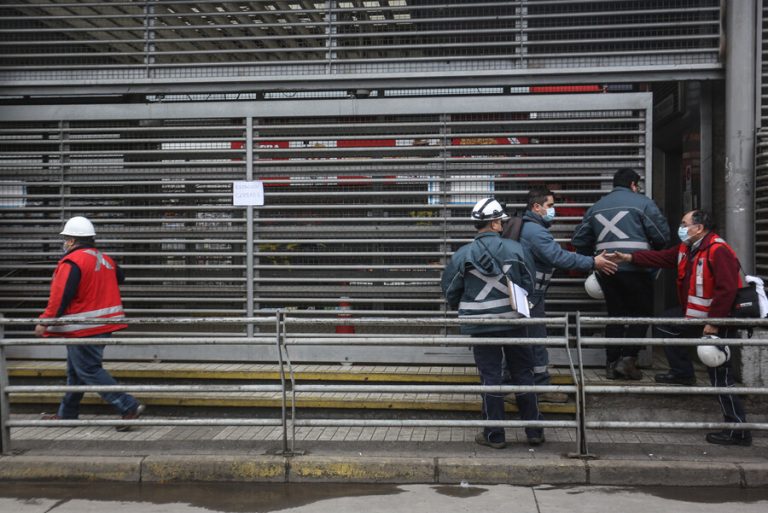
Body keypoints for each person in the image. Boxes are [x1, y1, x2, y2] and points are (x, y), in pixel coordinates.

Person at [607, 210, 751, 446]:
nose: (681, 228)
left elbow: (727, 290)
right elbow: (661, 258)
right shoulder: (688, 248)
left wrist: (714, 323)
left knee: (719, 374)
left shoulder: (718, 250)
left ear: (699, 227)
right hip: (694, 316)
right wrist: (628, 257)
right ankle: (683, 373)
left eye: (684, 224)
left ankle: (739, 430)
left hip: (717, 322)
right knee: (665, 324)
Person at [441, 197, 543, 449]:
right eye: (501, 222)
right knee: (523, 373)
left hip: (481, 325)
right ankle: (534, 432)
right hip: (514, 323)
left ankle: (494, 435)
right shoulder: (516, 249)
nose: (503, 225)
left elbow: (450, 290)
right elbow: (530, 284)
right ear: (495, 223)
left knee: (490, 376)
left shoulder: (462, 254)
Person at [35, 216, 144, 431]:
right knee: (76, 371)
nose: (65, 243)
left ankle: (128, 405)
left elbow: (60, 296)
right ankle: (67, 415)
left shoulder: (72, 261)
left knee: (89, 370)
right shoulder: (105, 259)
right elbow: (120, 278)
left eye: (66, 239)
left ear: (72, 240)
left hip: (83, 327)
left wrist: (45, 321)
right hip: (103, 324)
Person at [518, 186, 618, 401]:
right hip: (531, 295)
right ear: (536, 207)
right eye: (550, 205)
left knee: (526, 340)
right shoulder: (535, 232)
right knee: (535, 340)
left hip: (530, 294)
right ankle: (538, 387)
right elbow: (558, 257)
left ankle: (523, 384)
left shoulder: (529, 228)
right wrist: (593, 262)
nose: (553, 210)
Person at [571, 168, 670, 380]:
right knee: (641, 315)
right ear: (633, 184)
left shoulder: (596, 207)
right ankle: (627, 361)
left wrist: (595, 260)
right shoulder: (643, 203)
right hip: (637, 268)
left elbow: (579, 239)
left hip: (607, 270)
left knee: (615, 315)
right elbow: (662, 236)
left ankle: (611, 363)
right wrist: (650, 255)